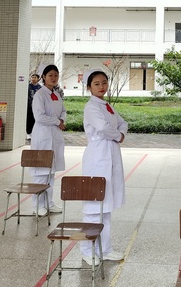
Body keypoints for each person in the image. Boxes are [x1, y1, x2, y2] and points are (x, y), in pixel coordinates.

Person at [80, 70, 127, 266]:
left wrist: (120, 133)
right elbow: (102, 128)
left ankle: (105, 249)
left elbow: (123, 123)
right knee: (93, 206)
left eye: (104, 82)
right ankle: (87, 250)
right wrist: (118, 135)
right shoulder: (91, 107)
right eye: (97, 83)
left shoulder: (107, 106)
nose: (101, 86)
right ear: (89, 87)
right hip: (97, 155)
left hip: (110, 153)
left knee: (105, 206)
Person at [30, 64, 66, 215]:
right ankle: (37, 205)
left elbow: (63, 111)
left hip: (54, 135)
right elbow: (39, 117)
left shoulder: (56, 94)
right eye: (50, 75)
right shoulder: (40, 95)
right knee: (41, 173)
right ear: (43, 77)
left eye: (56, 75)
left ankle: (49, 203)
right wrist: (57, 122)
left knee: (51, 173)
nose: (53, 78)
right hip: (43, 136)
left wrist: (62, 119)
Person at [26, 73, 41, 140]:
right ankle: (28, 133)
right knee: (29, 119)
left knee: (36, 120)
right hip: (29, 106)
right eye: (32, 77)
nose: (33, 79)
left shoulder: (40, 87)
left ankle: (34, 133)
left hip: (37, 106)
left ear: (38, 79)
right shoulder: (28, 86)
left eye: (35, 77)